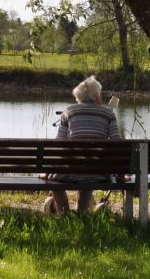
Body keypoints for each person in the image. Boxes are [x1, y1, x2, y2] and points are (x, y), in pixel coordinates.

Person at [43, 75, 121, 214]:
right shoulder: (108, 113)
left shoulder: (69, 112)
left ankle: (64, 212)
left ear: (78, 97)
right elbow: (118, 143)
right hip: (99, 174)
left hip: (69, 172)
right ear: (97, 97)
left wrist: (49, 171)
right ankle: (82, 213)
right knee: (90, 168)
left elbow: (58, 143)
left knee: (54, 182)